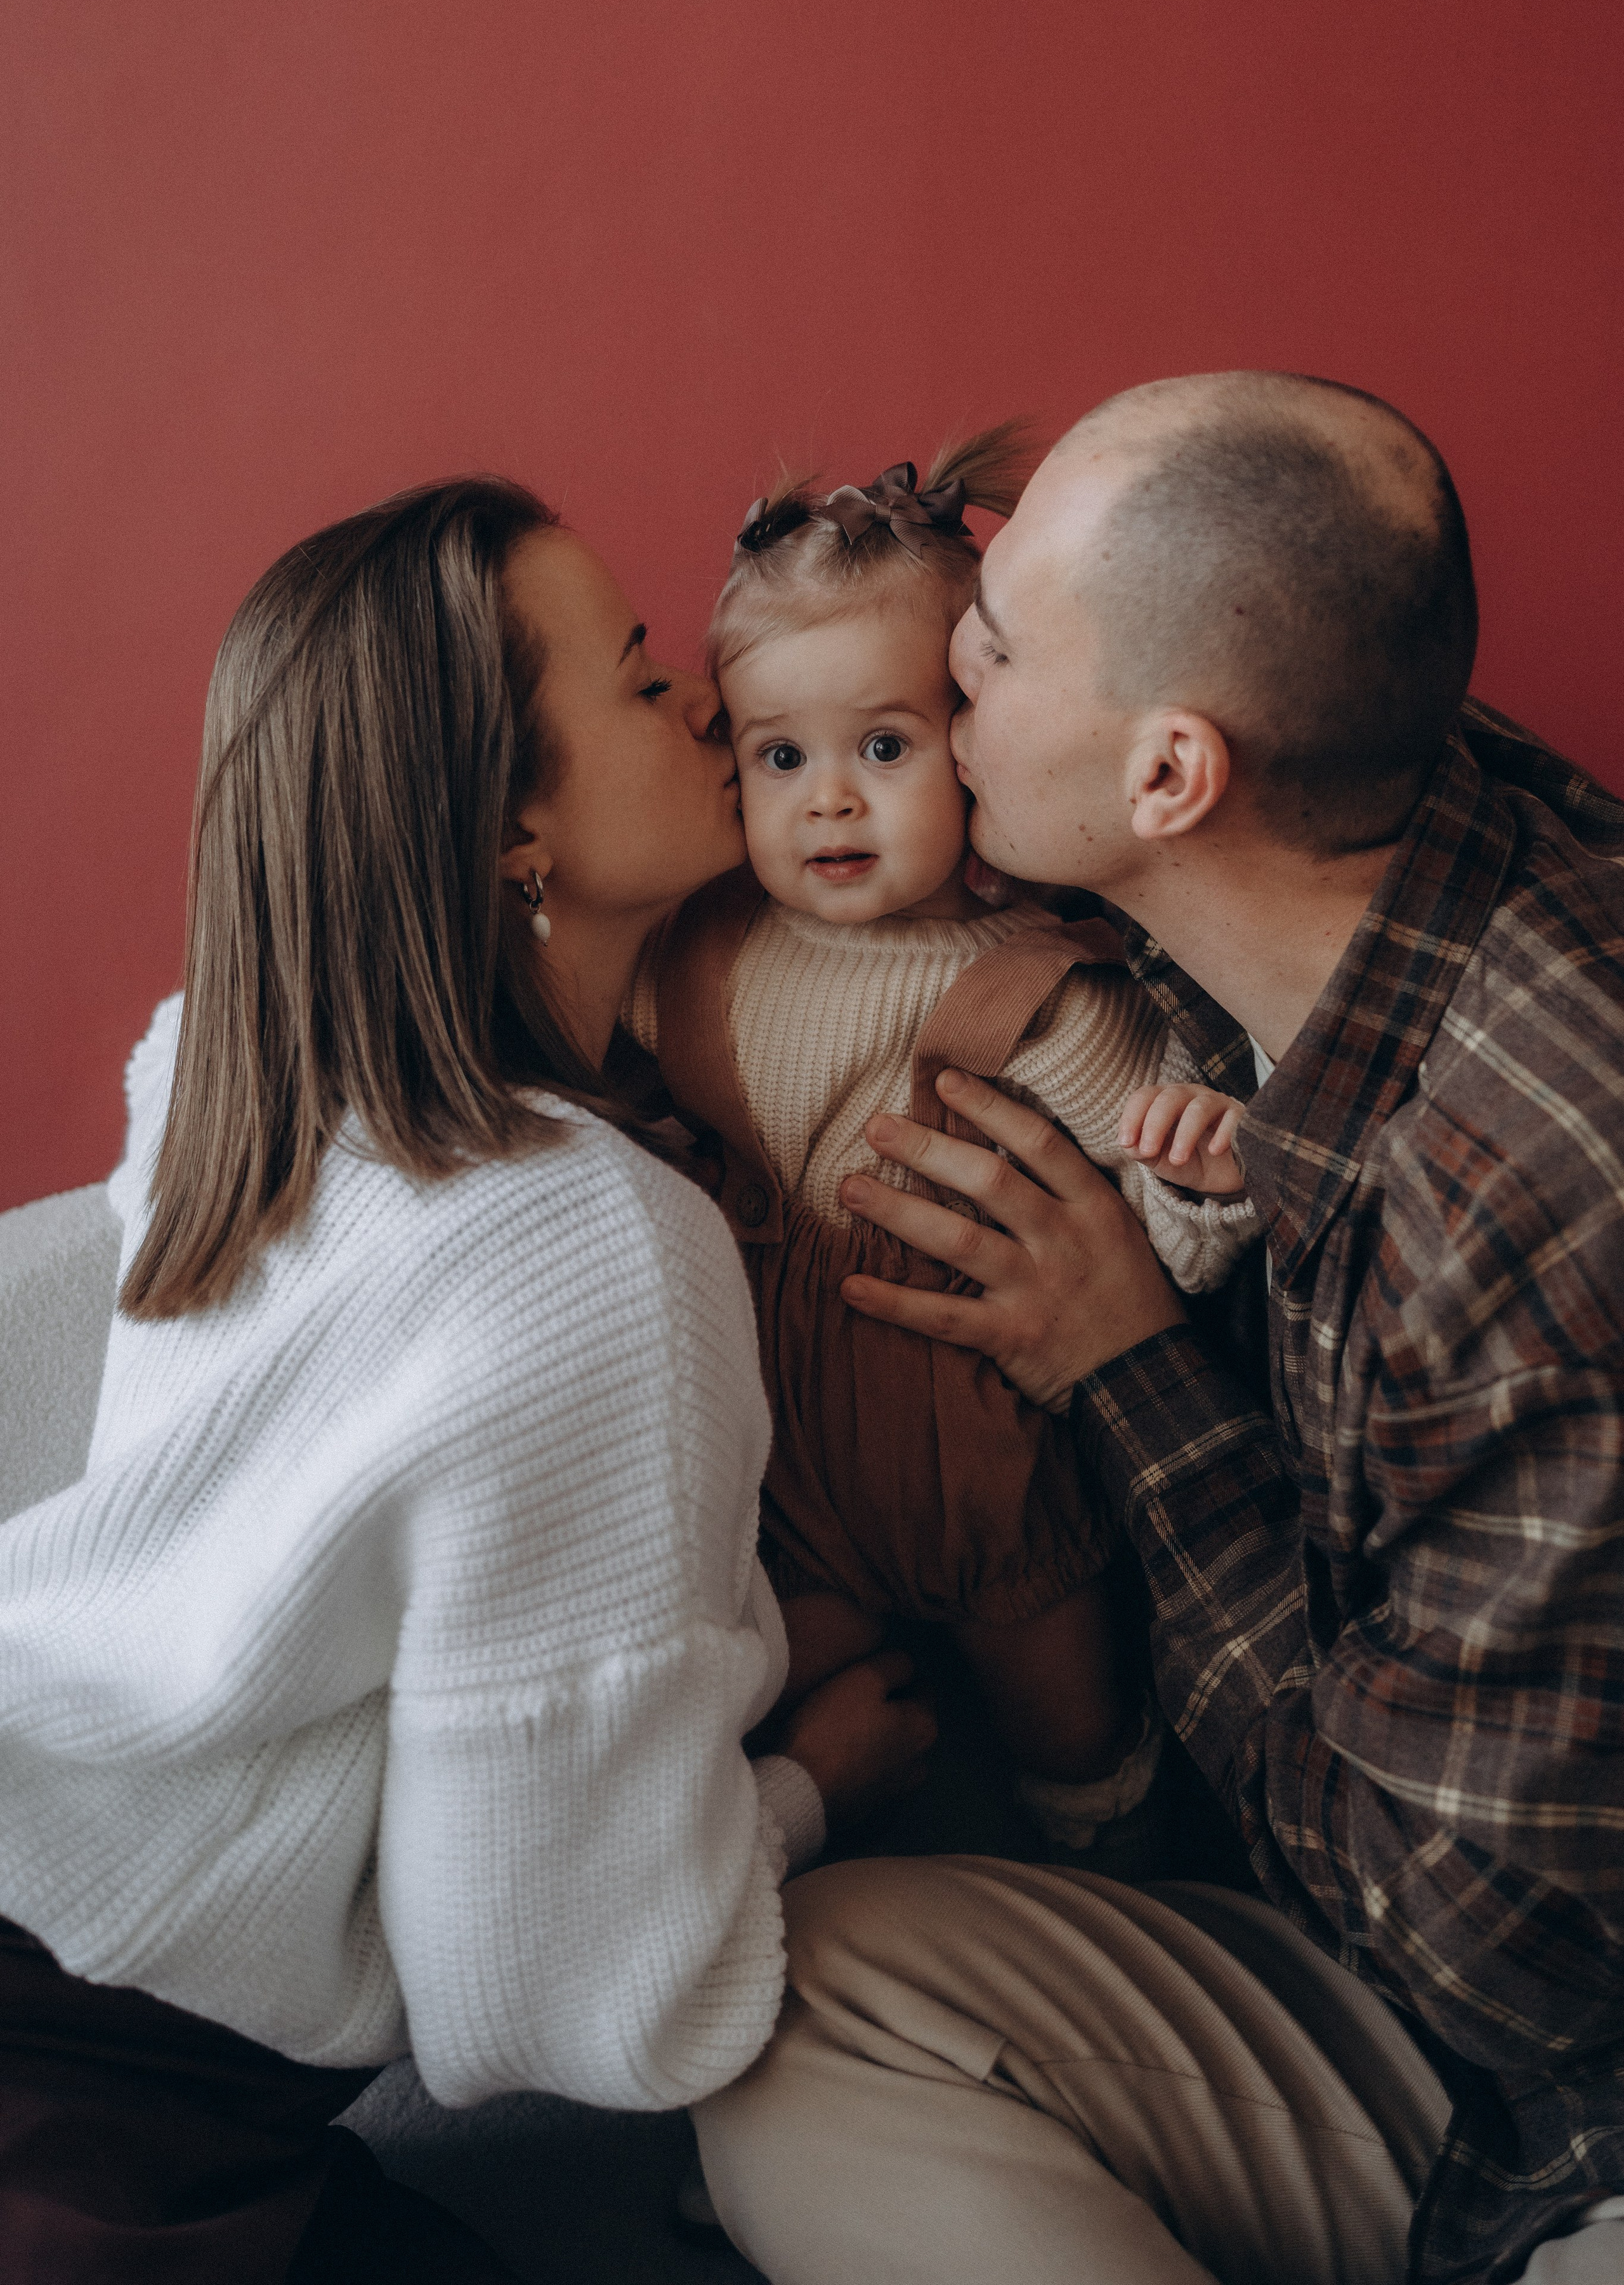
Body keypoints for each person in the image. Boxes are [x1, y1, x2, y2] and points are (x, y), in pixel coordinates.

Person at [693, 373, 1624, 2285]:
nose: (952, 654)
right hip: (1427, 1946)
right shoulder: (1355, 818)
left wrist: (1127, 1371)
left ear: (1170, 773)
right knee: (781, 2007)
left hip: (1562, 2081)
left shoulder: (1527, 1201)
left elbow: (1472, 1942)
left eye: (1000, 646)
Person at [0, 478, 933, 2280]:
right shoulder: (591, 1243)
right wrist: (810, 1787)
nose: (712, 716)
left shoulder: (227, 1084)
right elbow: (553, 1992)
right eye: (647, 679)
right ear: (517, 825)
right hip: (94, 2131)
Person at [626, 425, 1254, 1862]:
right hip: (779, 1467)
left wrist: (1196, 1175)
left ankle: (1108, 1861)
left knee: (1066, 1717)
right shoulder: (697, 952)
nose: (829, 798)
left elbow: (1163, 1210)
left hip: (980, 1466)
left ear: (967, 745)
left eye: (884, 747)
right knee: (756, 1679)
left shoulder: (1034, 986)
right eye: (781, 754)